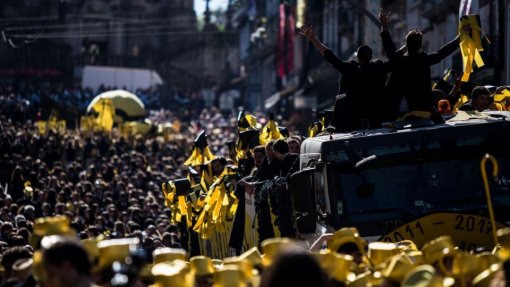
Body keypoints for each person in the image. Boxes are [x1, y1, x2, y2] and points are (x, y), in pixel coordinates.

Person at [300, 24, 398, 131]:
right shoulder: (379, 68)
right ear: (371, 56)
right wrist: (384, 28)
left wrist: (313, 39)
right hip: (377, 120)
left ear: (358, 58)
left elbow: (330, 56)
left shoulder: (349, 69)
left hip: (349, 123)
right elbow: (394, 58)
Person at [379, 9, 461, 121]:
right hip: (422, 110)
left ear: (407, 44)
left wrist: (384, 25)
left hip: (397, 112)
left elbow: (389, 47)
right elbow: (441, 53)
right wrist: (459, 39)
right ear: (420, 46)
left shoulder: (399, 60)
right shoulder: (424, 59)